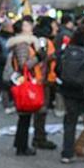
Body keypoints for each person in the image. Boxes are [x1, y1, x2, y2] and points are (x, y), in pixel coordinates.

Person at [55, 24, 84, 163]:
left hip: (69, 89)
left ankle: (67, 153)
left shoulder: (68, 50)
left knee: (70, 122)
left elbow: (58, 69)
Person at [4, 16, 42, 156]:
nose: (30, 26)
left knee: (24, 117)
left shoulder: (26, 43)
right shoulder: (22, 44)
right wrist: (38, 58)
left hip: (22, 81)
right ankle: (22, 146)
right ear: (21, 29)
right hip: (23, 82)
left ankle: (20, 144)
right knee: (25, 116)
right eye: (27, 25)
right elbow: (23, 65)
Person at [32, 16, 58, 150]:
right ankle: (39, 137)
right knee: (41, 110)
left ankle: (39, 136)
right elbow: (42, 59)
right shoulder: (43, 40)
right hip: (43, 80)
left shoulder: (44, 40)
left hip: (44, 79)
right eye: (54, 25)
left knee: (41, 110)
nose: (56, 28)